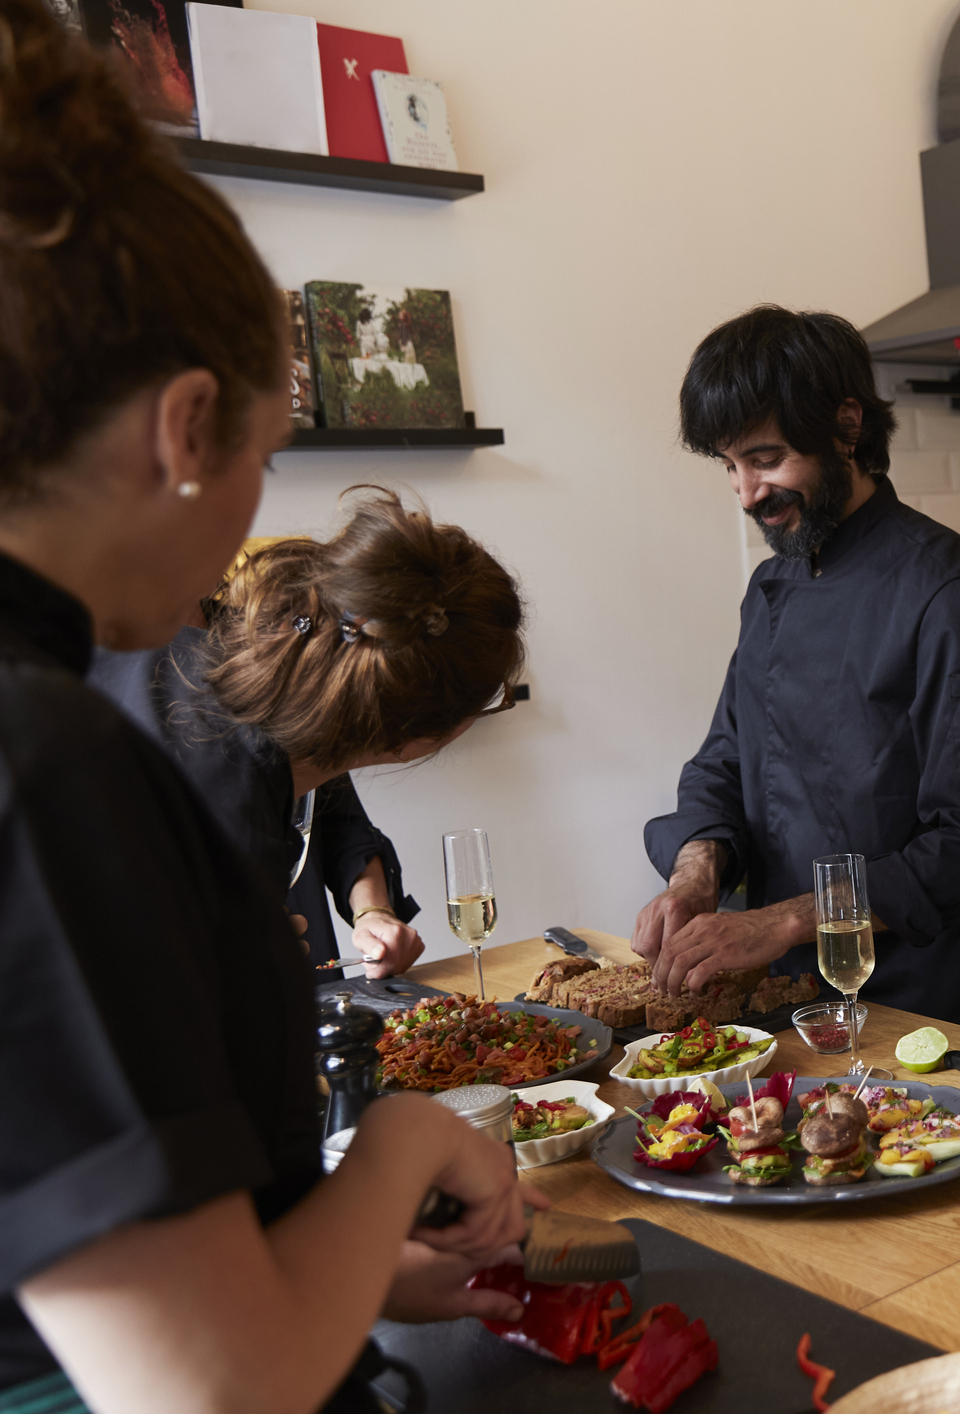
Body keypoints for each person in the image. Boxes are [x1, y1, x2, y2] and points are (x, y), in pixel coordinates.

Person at [0, 8, 541, 1410]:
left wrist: (352, 1271)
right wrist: (406, 1143)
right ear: (187, 429)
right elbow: (210, 1390)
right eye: (265, 449)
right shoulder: (43, 763)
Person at [636, 306, 960, 1040]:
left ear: (846, 427)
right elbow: (724, 762)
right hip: (786, 996)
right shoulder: (770, 588)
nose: (746, 493)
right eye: (729, 466)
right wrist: (696, 871)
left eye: (764, 459)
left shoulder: (947, 595)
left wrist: (780, 921)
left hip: (927, 1006)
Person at [89, 492, 526, 978]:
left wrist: (367, 911)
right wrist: (245, 975)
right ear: (418, 734)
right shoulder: (230, 788)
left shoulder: (255, 689)